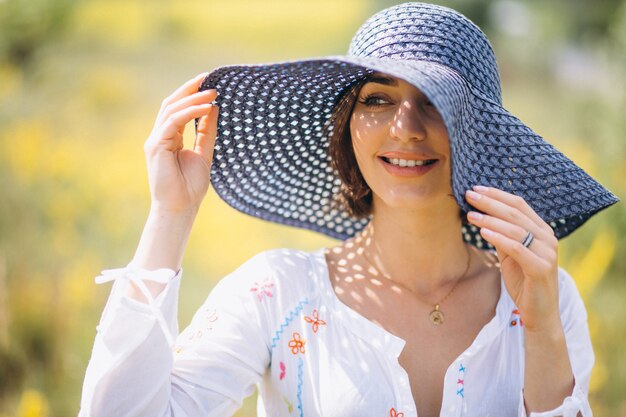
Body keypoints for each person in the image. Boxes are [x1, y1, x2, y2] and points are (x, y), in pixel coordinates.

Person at [79, 3, 618, 417]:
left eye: (435, 100)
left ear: (478, 133)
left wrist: (542, 328)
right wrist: (170, 215)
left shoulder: (547, 299)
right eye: (377, 99)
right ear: (347, 128)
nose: (405, 127)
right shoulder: (278, 294)